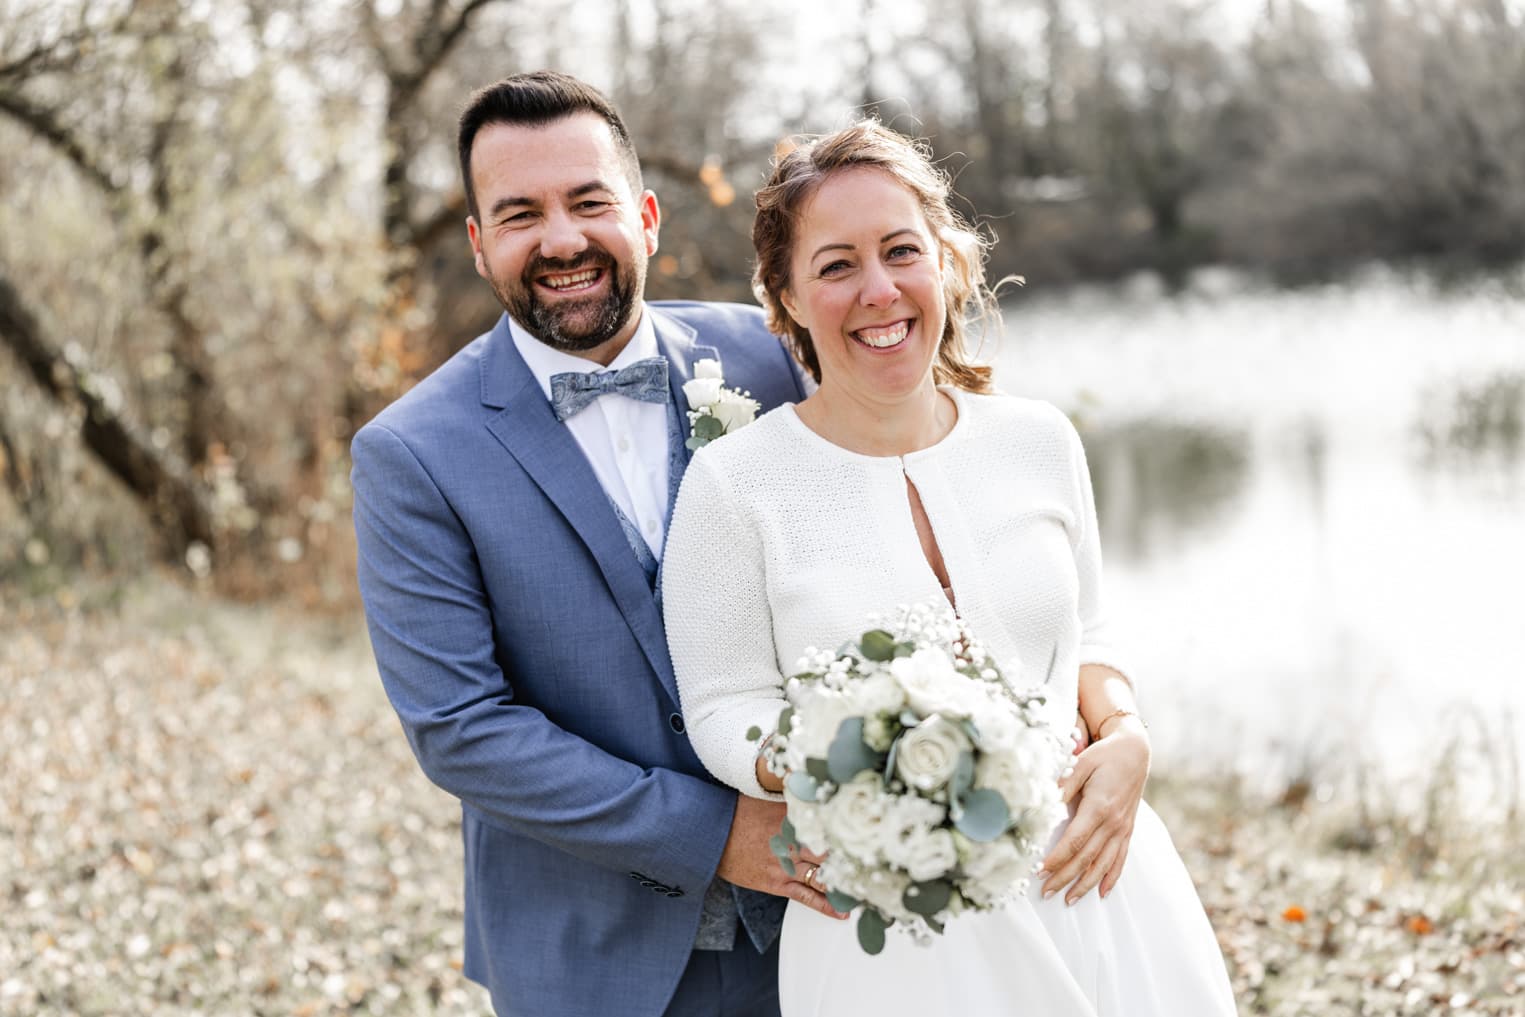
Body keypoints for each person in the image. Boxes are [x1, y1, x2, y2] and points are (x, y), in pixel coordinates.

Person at [662, 122, 1239, 1015]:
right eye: (837, 265)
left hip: (1093, 884)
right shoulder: (734, 484)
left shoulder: (1039, 439)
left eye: (901, 252)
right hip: (893, 925)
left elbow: (1087, 629)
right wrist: (846, 763)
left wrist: (1125, 732)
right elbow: (720, 706)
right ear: (784, 295)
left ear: (949, 262)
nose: (879, 291)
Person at [349, 71, 837, 1017]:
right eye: (520, 213)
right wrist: (715, 832)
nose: (563, 239)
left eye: (588, 201)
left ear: (646, 216)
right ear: (479, 243)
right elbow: (461, 729)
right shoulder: (411, 453)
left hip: (823, 926)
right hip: (593, 960)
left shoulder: (771, 356)